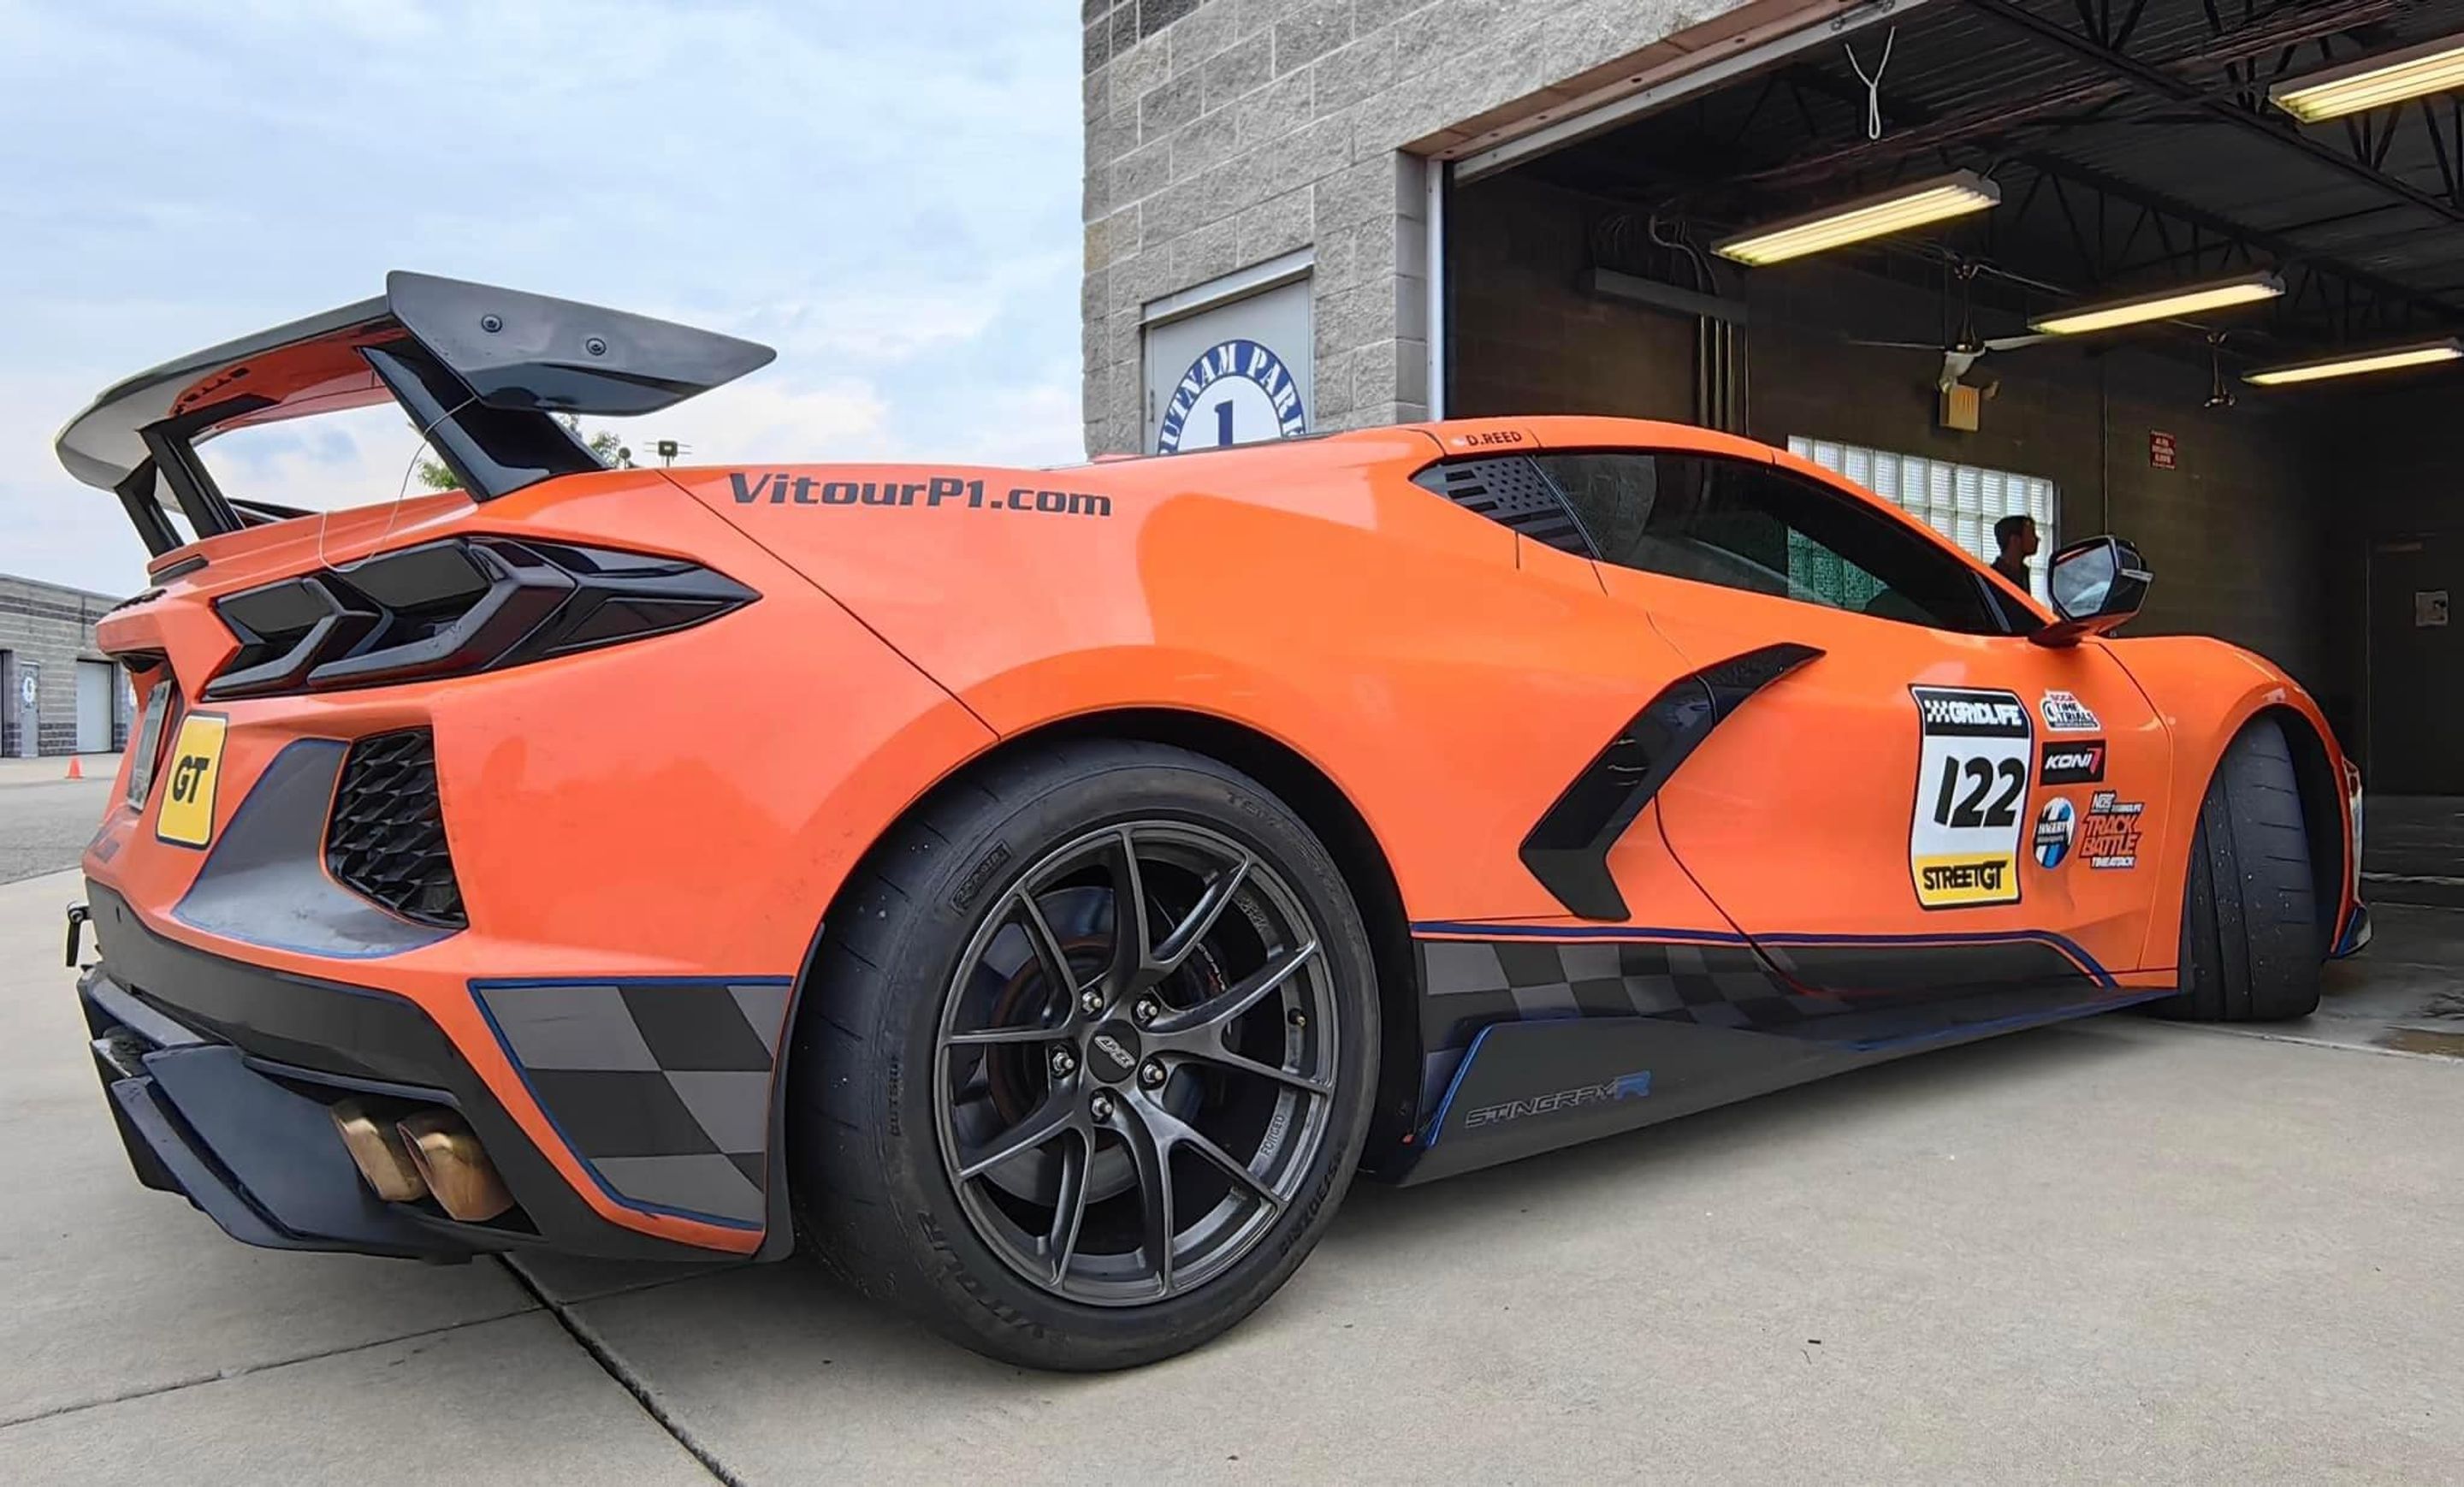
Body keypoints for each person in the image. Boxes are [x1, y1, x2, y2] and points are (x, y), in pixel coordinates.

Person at [1991, 513, 2038, 592]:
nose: (2037, 539)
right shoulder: (1992, 576)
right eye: (2032, 534)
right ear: (2015, 540)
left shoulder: (2023, 572)